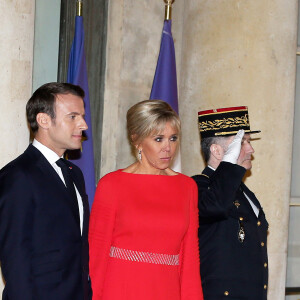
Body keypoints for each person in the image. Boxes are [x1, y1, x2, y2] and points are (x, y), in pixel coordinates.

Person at [89, 100, 203, 300]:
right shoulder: (112, 185)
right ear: (137, 140)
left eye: (173, 138)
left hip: (167, 292)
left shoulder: (187, 187)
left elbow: (190, 261)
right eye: (158, 139)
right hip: (120, 290)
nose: (168, 147)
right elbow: (96, 258)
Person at [0, 82, 92, 300]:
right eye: (73, 117)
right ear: (43, 120)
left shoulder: (74, 173)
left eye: (82, 116)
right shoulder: (18, 175)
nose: (84, 125)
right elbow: (15, 258)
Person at [192, 106, 268, 300]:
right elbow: (215, 206)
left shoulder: (244, 192)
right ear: (217, 150)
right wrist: (228, 164)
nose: (251, 149)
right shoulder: (198, 186)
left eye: (248, 141)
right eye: (242, 142)